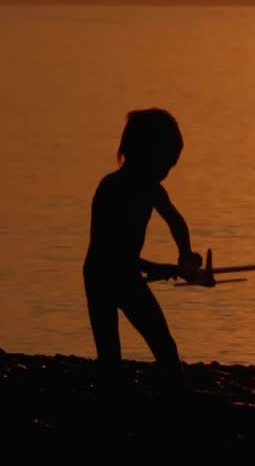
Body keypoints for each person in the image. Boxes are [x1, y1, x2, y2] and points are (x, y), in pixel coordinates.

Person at [82, 108, 203, 387]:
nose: (166, 173)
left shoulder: (152, 188)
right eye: (165, 164)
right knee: (110, 354)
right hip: (102, 276)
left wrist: (184, 255)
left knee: (163, 345)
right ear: (143, 152)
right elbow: (109, 252)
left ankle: (171, 397)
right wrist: (156, 268)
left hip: (127, 275)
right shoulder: (111, 189)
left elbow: (176, 221)